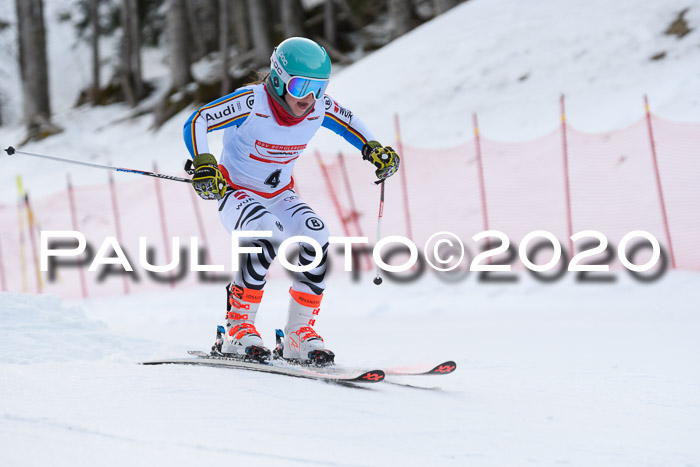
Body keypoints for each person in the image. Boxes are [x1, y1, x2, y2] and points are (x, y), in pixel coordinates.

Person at [183, 37, 399, 365]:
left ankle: (299, 334)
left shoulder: (318, 108)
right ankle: (237, 328)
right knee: (267, 231)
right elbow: (198, 120)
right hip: (235, 192)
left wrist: (374, 149)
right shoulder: (252, 102)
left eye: (319, 88)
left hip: (281, 194)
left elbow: (350, 124)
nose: (309, 98)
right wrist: (204, 163)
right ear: (279, 79)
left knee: (316, 234)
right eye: (301, 87)